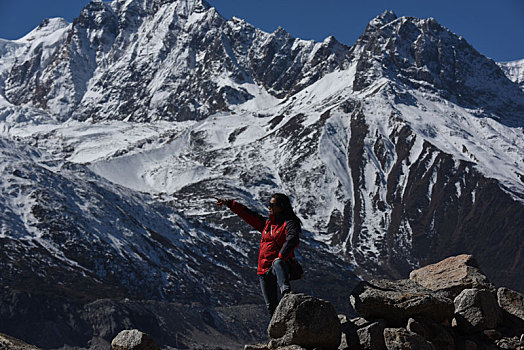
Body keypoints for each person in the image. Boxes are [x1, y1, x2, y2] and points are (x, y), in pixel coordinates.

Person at [214, 193, 301, 318]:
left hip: (278, 265)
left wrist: (281, 256)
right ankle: (277, 332)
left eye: (272, 204)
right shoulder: (267, 224)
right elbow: (248, 214)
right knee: (271, 306)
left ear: (281, 207)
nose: (269, 207)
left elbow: (293, 239)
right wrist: (229, 203)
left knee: (278, 263)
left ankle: (286, 292)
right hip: (263, 270)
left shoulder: (289, 223)